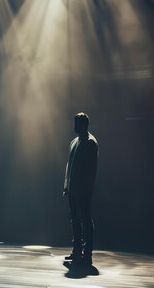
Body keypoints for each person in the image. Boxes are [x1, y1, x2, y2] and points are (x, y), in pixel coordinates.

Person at [63, 112, 98, 265]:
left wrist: (85, 189)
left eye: (77, 123)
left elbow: (90, 170)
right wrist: (66, 185)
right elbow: (69, 165)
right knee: (75, 220)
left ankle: (87, 253)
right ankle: (77, 251)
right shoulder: (74, 141)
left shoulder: (90, 142)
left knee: (85, 220)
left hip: (83, 189)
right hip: (72, 189)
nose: (75, 126)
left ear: (84, 125)